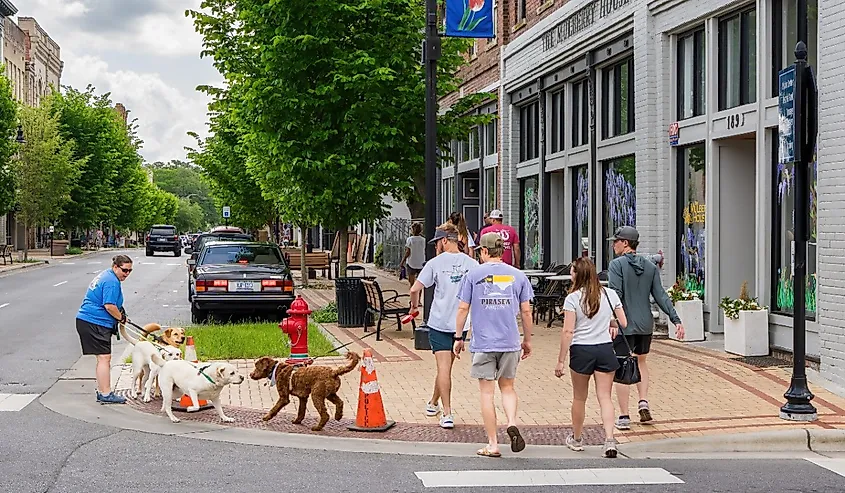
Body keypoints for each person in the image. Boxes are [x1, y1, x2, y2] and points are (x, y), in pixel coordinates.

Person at [454, 232, 533, 457]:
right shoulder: (518, 276)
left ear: (485, 251)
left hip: (483, 343)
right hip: (509, 341)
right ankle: (511, 421)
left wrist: (458, 337)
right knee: (508, 387)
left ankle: (493, 443)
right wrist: (527, 339)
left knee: (486, 393)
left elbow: (462, 309)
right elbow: (526, 312)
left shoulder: (472, 275)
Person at [607, 226, 685, 430]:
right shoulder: (650, 267)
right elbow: (660, 295)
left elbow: (616, 295)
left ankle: (624, 416)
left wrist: (613, 321)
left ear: (625, 243)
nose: (613, 244)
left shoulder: (616, 265)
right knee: (641, 361)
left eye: (616, 241)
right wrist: (676, 319)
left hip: (625, 324)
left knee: (622, 367)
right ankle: (643, 401)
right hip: (646, 324)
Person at [555, 257, 628, 458]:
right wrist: (606, 322)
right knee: (605, 397)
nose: (570, 276)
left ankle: (577, 439)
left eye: (572, 272)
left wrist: (561, 360)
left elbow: (568, 331)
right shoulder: (609, 294)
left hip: (581, 350)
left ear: (578, 275)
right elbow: (623, 323)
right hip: (604, 348)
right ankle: (610, 439)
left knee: (579, 397)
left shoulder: (572, 299)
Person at [409, 223, 478, 429]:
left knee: (443, 368)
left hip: (439, 321)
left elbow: (415, 288)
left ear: (445, 240)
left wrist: (414, 307)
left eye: (438, 242)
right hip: (461, 325)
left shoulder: (435, 264)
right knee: (446, 369)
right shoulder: (472, 264)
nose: (436, 246)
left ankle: (447, 413)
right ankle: (433, 403)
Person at [76, 255, 134, 404]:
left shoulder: (108, 275)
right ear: (115, 267)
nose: (127, 274)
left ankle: (103, 390)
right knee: (104, 358)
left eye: (130, 271)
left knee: (102, 358)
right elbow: (109, 305)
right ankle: (105, 393)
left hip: (89, 321)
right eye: (124, 270)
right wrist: (121, 317)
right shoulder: (111, 282)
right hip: (94, 322)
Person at [400, 222, 426, 287]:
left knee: (411, 283)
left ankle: (412, 295)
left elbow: (408, 252)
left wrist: (402, 261)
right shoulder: (423, 240)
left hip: (411, 262)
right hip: (421, 262)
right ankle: (419, 296)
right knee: (420, 283)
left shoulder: (410, 239)